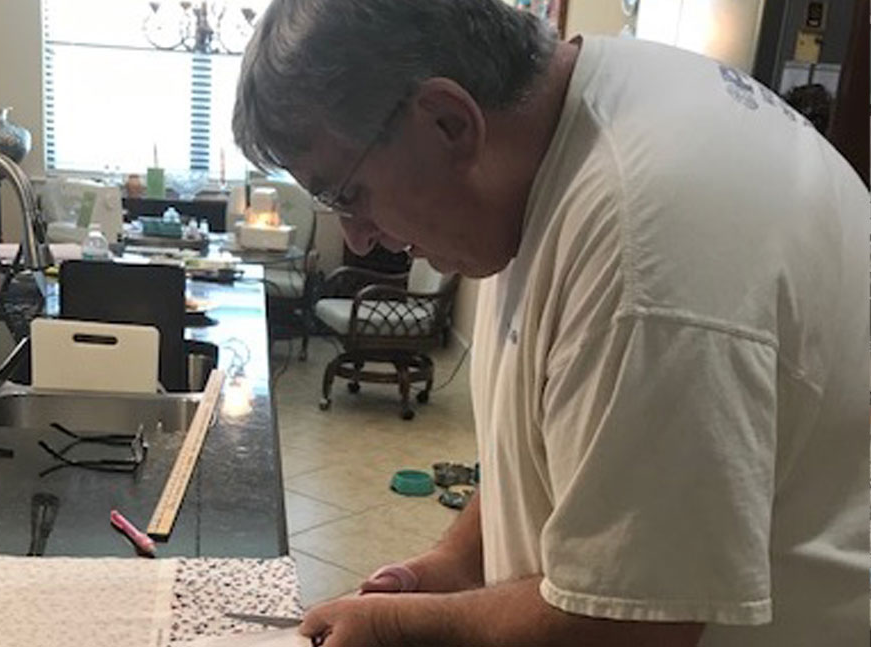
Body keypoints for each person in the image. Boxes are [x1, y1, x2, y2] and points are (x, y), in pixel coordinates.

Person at [233, 1, 869, 645]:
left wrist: (400, 627)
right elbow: (563, 455)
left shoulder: (645, 246)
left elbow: (628, 629)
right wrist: (457, 562)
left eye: (347, 193)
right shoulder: (544, 151)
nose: (359, 239)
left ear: (448, 122)